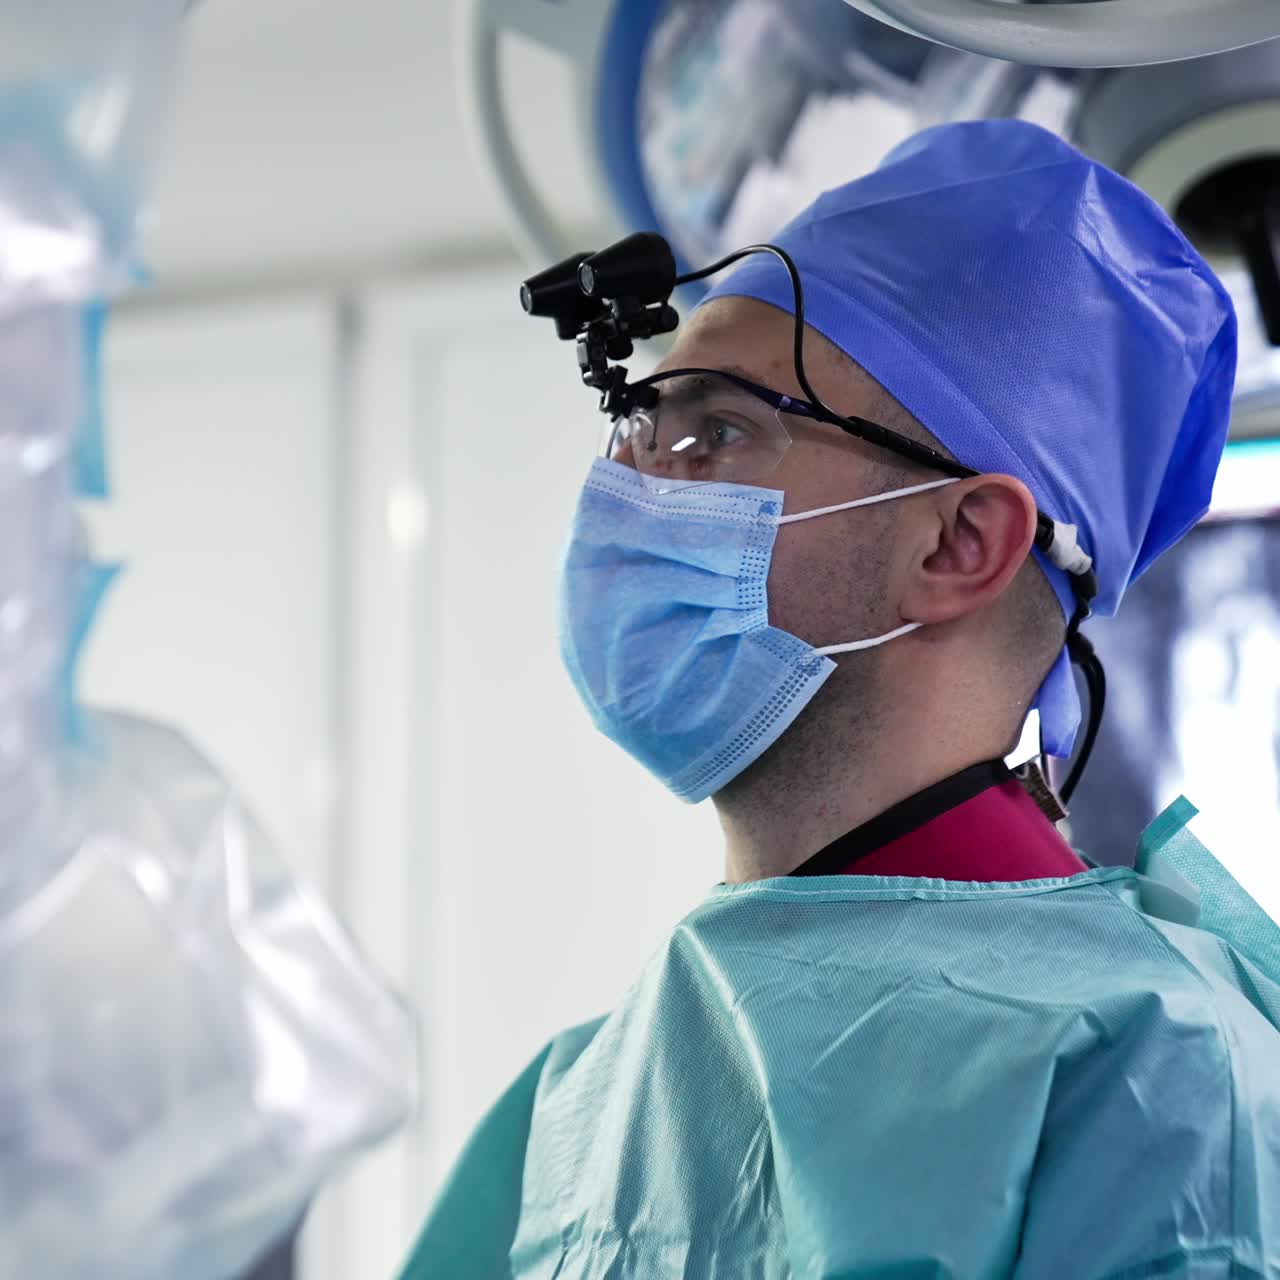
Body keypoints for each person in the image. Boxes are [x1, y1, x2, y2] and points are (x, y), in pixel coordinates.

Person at [397, 120, 1280, 1278]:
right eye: (637, 427)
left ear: (960, 541)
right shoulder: (571, 1106)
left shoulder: (1148, 1069)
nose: (626, 493)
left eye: (714, 431)